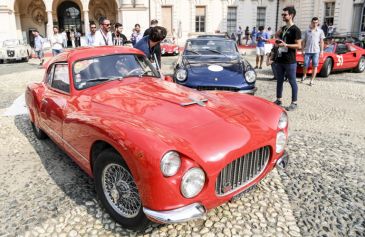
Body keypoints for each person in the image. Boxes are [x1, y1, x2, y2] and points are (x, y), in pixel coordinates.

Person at [274, 6, 302, 111]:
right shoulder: (284, 28)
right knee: (279, 80)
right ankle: (278, 100)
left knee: (292, 81)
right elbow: (276, 36)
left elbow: (299, 45)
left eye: (285, 14)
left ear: (291, 15)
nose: (283, 16)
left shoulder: (296, 30)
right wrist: (278, 40)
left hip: (290, 61)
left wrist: (286, 45)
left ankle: (294, 102)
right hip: (280, 59)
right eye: (282, 14)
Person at [301, 17, 325, 86]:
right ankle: (304, 75)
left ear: (318, 23)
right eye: (314, 22)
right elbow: (303, 41)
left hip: (316, 51)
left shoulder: (320, 31)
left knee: (315, 65)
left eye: (316, 22)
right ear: (311, 22)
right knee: (305, 64)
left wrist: (322, 51)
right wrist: (302, 50)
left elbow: (322, 41)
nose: (315, 24)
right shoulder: (307, 31)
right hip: (307, 51)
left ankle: (312, 80)